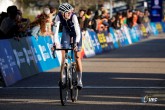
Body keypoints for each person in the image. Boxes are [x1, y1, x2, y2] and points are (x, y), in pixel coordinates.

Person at [53, 3, 83, 89]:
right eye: (67, 13)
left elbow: (77, 33)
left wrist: (76, 43)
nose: (69, 14)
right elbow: (55, 33)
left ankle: (80, 80)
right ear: (62, 13)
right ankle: (62, 78)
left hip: (75, 34)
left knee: (77, 56)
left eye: (70, 12)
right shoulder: (58, 17)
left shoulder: (74, 17)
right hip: (66, 32)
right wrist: (55, 43)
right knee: (64, 56)